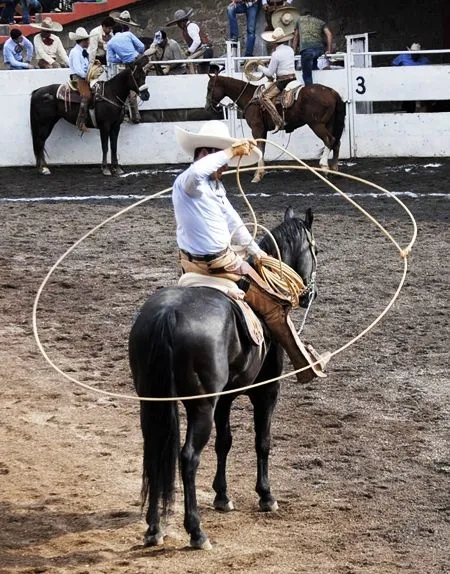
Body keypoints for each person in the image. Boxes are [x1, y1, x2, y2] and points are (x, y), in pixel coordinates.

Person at [172, 120, 329, 384]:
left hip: (199, 264)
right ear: (203, 154)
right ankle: (303, 365)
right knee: (275, 304)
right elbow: (198, 172)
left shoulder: (214, 187)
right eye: (220, 160)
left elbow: (233, 222)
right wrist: (230, 151)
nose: (225, 167)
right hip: (221, 265)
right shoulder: (190, 183)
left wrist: (257, 253)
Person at [257, 26, 296, 133]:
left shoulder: (275, 54)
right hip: (293, 78)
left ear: (274, 42)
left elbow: (270, 73)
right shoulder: (290, 49)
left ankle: (278, 121)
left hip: (283, 81)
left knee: (264, 96)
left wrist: (259, 66)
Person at [106, 23, 145, 123]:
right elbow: (141, 47)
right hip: (138, 62)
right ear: (122, 30)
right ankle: (136, 115)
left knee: (130, 88)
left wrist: (122, 60)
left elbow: (111, 59)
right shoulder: (128, 34)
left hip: (128, 66)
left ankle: (132, 115)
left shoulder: (110, 43)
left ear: (113, 33)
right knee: (141, 83)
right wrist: (135, 51)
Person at [166, 8, 213, 74]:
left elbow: (197, 41)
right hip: (202, 51)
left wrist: (189, 51)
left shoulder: (190, 27)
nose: (178, 26)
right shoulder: (187, 28)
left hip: (204, 50)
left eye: (178, 23)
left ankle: (193, 78)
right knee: (202, 73)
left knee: (189, 61)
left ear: (182, 22)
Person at [297, 9, 333, 85]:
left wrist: (293, 51)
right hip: (319, 50)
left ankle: (310, 91)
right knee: (314, 65)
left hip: (306, 50)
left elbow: (296, 36)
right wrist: (329, 50)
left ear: (303, 15)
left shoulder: (299, 20)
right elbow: (329, 34)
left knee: (307, 76)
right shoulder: (320, 21)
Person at [392, 43, 430, 112]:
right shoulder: (403, 57)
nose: (413, 54)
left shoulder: (424, 60)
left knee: (421, 104)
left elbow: (429, 73)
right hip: (406, 83)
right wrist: (399, 75)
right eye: (412, 53)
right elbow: (394, 65)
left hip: (420, 84)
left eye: (415, 53)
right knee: (408, 105)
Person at [68, 27, 92, 132]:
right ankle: (80, 121)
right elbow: (78, 70)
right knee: (86, 95)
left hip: (85, 77)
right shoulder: (75, 52)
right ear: (83, 41)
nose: (89, 42)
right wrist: (88, 76)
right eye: (87, 40)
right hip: (77, 78)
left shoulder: (84, 52)